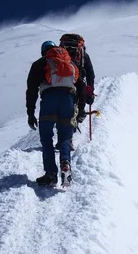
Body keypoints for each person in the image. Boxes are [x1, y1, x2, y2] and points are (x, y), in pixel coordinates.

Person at [26, 40, 79, 187]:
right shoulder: (69, 63)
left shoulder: (40, 63)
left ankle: (50, 174)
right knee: (64, 136)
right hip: (68, 100)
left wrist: (30, 113)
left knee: (46, 138)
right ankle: (65, 163)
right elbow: (79, 84)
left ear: (43, 51)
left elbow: (31, 90)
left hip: (49, 100)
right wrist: (79, 107)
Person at [59, 34, 95, 124]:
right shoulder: (83, 55)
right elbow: (90, 74)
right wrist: (90, 92)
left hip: (59, 83)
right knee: (75, 111)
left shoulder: (60, 52)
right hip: (78, 85)